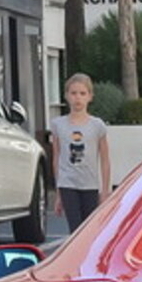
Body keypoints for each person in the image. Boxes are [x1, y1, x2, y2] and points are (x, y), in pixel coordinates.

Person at [48, 72, 110, 239]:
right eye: (73, 93)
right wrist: (58, 192)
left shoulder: (97, 125)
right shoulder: (58, 125)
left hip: (90, 184)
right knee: (75, 231)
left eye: (82, 93)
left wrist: (105, 191)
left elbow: (104, 159)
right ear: (67, 96)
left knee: (90, 230)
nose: (78, 98)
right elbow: (57, 158)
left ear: (90, 96)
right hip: (68, 184)